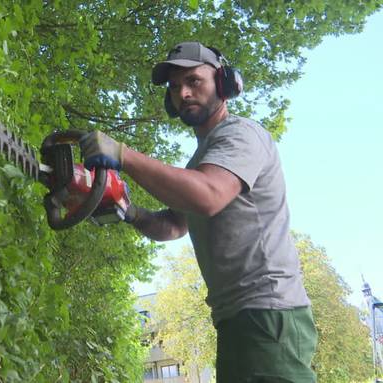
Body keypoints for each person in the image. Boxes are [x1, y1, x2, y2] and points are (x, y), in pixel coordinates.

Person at [79, 42, 317, 382]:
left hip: (269, 313)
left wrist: (123, 155)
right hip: (235, 319)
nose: (183, 93)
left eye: (194, 81)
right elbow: (174, 225)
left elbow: (209, 196)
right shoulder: (200, 162)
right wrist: (127, 210)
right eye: (175, 88)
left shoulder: (241, 135)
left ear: (223, 83)